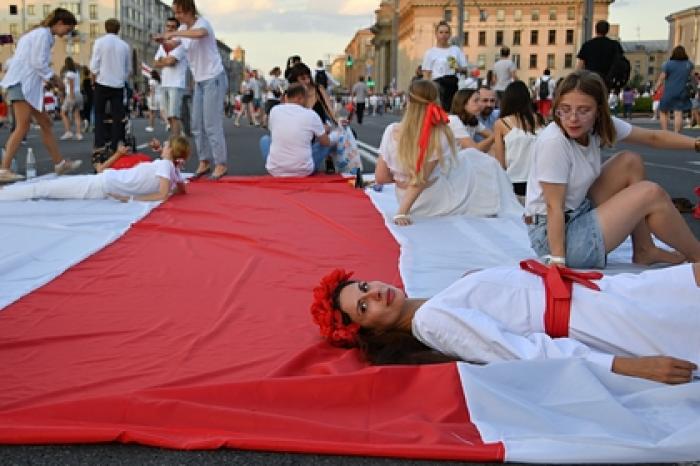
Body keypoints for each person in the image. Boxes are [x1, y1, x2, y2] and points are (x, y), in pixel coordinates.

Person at [310, 261, 700, 384]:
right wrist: (631, 366)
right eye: (364, 308)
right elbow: (521, 352)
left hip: (595, 293)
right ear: (374, 330)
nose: (374, 293)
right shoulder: (430, 319)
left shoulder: (432, 302)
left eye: (364, 286)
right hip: (597, 316)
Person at [524, 70, 700, 269]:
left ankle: (644, 248)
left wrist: (696, 144)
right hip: (555, 237)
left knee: (630, 162)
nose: (573, 118)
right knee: (650, 193)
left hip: (576, 212)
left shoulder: (596, 127)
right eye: (564, 109)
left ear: (599, 111)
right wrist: (558, 262)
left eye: (583, 110)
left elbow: (653, 138)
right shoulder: (554, 142)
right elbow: (553, 207)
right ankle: (698, 256)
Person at [374, 79, 514, 225]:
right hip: (434, 201)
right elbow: (419, 180)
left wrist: (402, 179)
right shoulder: (439, 133)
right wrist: (401, 213)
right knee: (476, 163)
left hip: (403, 197)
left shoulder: (391, 131)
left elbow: (381, 177)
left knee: (467, 158)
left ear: (408, 101)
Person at [0, 8, 82, 182]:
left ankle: (59, 163)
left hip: (26, 85)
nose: (68, 34)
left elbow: (36, 62)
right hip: (23, 83)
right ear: (59, 23)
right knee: (22, 127)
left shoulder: (41, 34)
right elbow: (38, 63)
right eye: (68, 29)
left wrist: (51, 79)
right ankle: (4, 168)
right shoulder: (43, 35)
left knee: (46, 123)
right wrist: (55, 79)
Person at [157, 0, 228, 180]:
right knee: (196, 125)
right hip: (199, 82)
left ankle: (220, 163)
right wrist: (163, 40)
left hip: (214, 78)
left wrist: (175, 32)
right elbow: (174, 45)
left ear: (189, 10)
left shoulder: (201, 24)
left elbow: (199, 34)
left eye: (179, 12)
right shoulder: (183, 30)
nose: (177, 16)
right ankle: (204, 161)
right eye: (175, 12)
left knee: (211, 124)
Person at [0, 135, 189, 202]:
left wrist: (131, 198)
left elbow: (162, 194)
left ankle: (4, 195)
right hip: (104, 182)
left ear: (170, 150)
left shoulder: (166, 166)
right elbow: (180, 188)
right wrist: (175, 167)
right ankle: (7, 193)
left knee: (44, 188)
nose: (162, 147)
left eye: (165, 145)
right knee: (48, 188)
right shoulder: (171, 169)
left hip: (102, 184)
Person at [259, 83, 330, 177]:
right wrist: (322, 130)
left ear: (286, 97)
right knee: (330, 140)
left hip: (275, 170)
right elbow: (326, 143)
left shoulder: (274, 110)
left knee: (265, 139)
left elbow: (275, 132)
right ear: (300, 98)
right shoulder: (311, 114)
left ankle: (278, 163)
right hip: (303, 171)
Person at [493, 80, 545, 196]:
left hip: (515, 180)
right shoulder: (540, 119)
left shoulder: (501, 123)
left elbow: (500, 161)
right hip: (540, 180)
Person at [90, 18, 131, 153]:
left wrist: (94, 77)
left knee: (99, 113)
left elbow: (94, 64)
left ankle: (99, 142)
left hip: (102, 82)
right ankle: (115, 143)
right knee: (117, 115)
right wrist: (121, 78)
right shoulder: (124, 45)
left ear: (105, 28)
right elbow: (128, 69)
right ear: (118, 29)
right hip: (118, 85)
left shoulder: (99, 42)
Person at [421, 21, 468, 111]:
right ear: (436, 34)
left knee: (452, 111)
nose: (444, 35)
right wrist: (427, 93)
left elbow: (465, 70)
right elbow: (426, 75)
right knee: (440, 110)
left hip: (453, 83)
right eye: (441, 32)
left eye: (446, 32)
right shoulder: (430, 52)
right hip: (437, 85)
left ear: (450, 34)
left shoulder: (455, 50)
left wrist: (458, 69)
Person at [153, 17, 188, 138]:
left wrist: (163, 60)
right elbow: (155, 63)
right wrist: (164, 61)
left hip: (176, 84)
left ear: (177, 29)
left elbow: (172, 61)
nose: (170, 29)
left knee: (174, 115)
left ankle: (176, 143)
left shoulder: (181, 43)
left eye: (173, 27)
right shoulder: (163, 46)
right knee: (168, 116)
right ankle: (178, 138)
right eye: (168, 26)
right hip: (165, 83)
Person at [654, 45, 694, 133]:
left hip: (669, 92)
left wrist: (656, 88)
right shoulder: (689, 64)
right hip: (683, 91)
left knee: (663, 111)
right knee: (678, 112)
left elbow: (662, 78)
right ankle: (676, 133)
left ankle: (665, 132)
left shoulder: (668, 64)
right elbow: (692, 77)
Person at [576, 20, 625, 86]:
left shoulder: (587, 45)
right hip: (607, 79)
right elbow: (620, 62)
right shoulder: (615, 45)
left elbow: (580, 65)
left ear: (596, 30)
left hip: (591, 79)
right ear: (607, 31)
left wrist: (577, 79)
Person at [447, 89, 494, 153]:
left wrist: (494, 137)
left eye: (480, 100)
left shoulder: (472, 119)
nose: (480, 104)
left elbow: (491, 135)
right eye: (476, 101)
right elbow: (474, 149)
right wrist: (495, 136)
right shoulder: (453, 120)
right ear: (464, 104)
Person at [59, 56, 83, 141]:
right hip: (79, 94)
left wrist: (72, 96)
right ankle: (79, 133)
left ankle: (68, 131)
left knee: (63, 113)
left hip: (71, 95)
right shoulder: (77, 73)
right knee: (77, 114)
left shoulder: (69, 74)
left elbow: (71, 85)